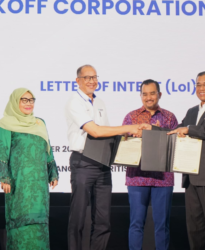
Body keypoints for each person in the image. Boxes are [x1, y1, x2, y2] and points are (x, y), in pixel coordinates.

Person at [140, 71, 205, 250]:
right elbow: (175, 132)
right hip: (191, 176)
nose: (201, 88)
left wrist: (189, 129)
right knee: (195, 228)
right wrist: (152, 128)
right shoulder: (192, 111)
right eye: (198, 84)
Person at [65, 65, 142, 250]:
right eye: (87, 78)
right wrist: (128, 127)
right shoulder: (74, 102)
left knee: (103, 220)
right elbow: (95, 131)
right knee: (78, 217)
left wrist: (129, 135)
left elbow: (106, 133)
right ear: (78, 81)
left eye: (94, 77)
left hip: (102, 164)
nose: (92, 81)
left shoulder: (99, 102)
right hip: (83, 163)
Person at [0, 88, 59, 250]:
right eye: (24, 100)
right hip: (19, 184)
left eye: (31, 100)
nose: (28, 103)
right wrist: (4, 177)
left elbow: (48, 150)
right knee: (21, 224)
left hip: (39, 186)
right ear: (15, 102)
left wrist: (53, 172)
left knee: (39, 224)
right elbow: (2, 152)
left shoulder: (40, 122)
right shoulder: (6, 123)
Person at [122, 79, 178, 250]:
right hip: (137, 178)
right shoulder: (131, 117)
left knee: (162, 225)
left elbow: (176, 144)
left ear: (159, 94)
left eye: (152, 93)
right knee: (136, 223)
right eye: (145, 94)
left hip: (163, 179)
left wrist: (158, 133)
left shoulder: (169, 117)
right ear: (141, 96)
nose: (148, 97)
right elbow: (123, 144)